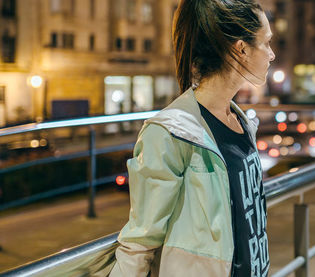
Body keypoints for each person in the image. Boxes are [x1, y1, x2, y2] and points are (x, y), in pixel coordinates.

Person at [110, 0, 275, 276]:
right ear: (242, 48)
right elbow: (141, 241)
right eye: (266, 43)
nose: (271, 54)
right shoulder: (170, 132)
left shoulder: (241, 121)